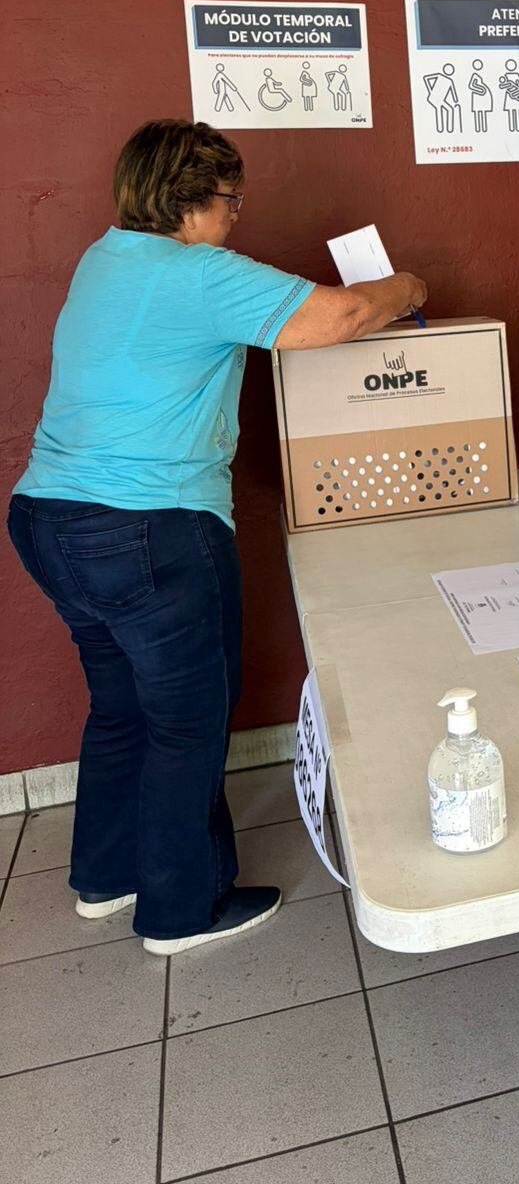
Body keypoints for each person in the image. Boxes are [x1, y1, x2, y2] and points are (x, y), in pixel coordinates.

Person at [8, 120, 427, 957]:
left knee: (121, 705)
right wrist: (407, 286)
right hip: (148, 531)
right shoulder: (194, 273)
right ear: (193, 201)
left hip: (47, 521)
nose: (237, 217)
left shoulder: (105, 259)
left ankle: (107, 873)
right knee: (186, 720)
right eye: (232, 201)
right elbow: (340, 317)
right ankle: (180, 909)